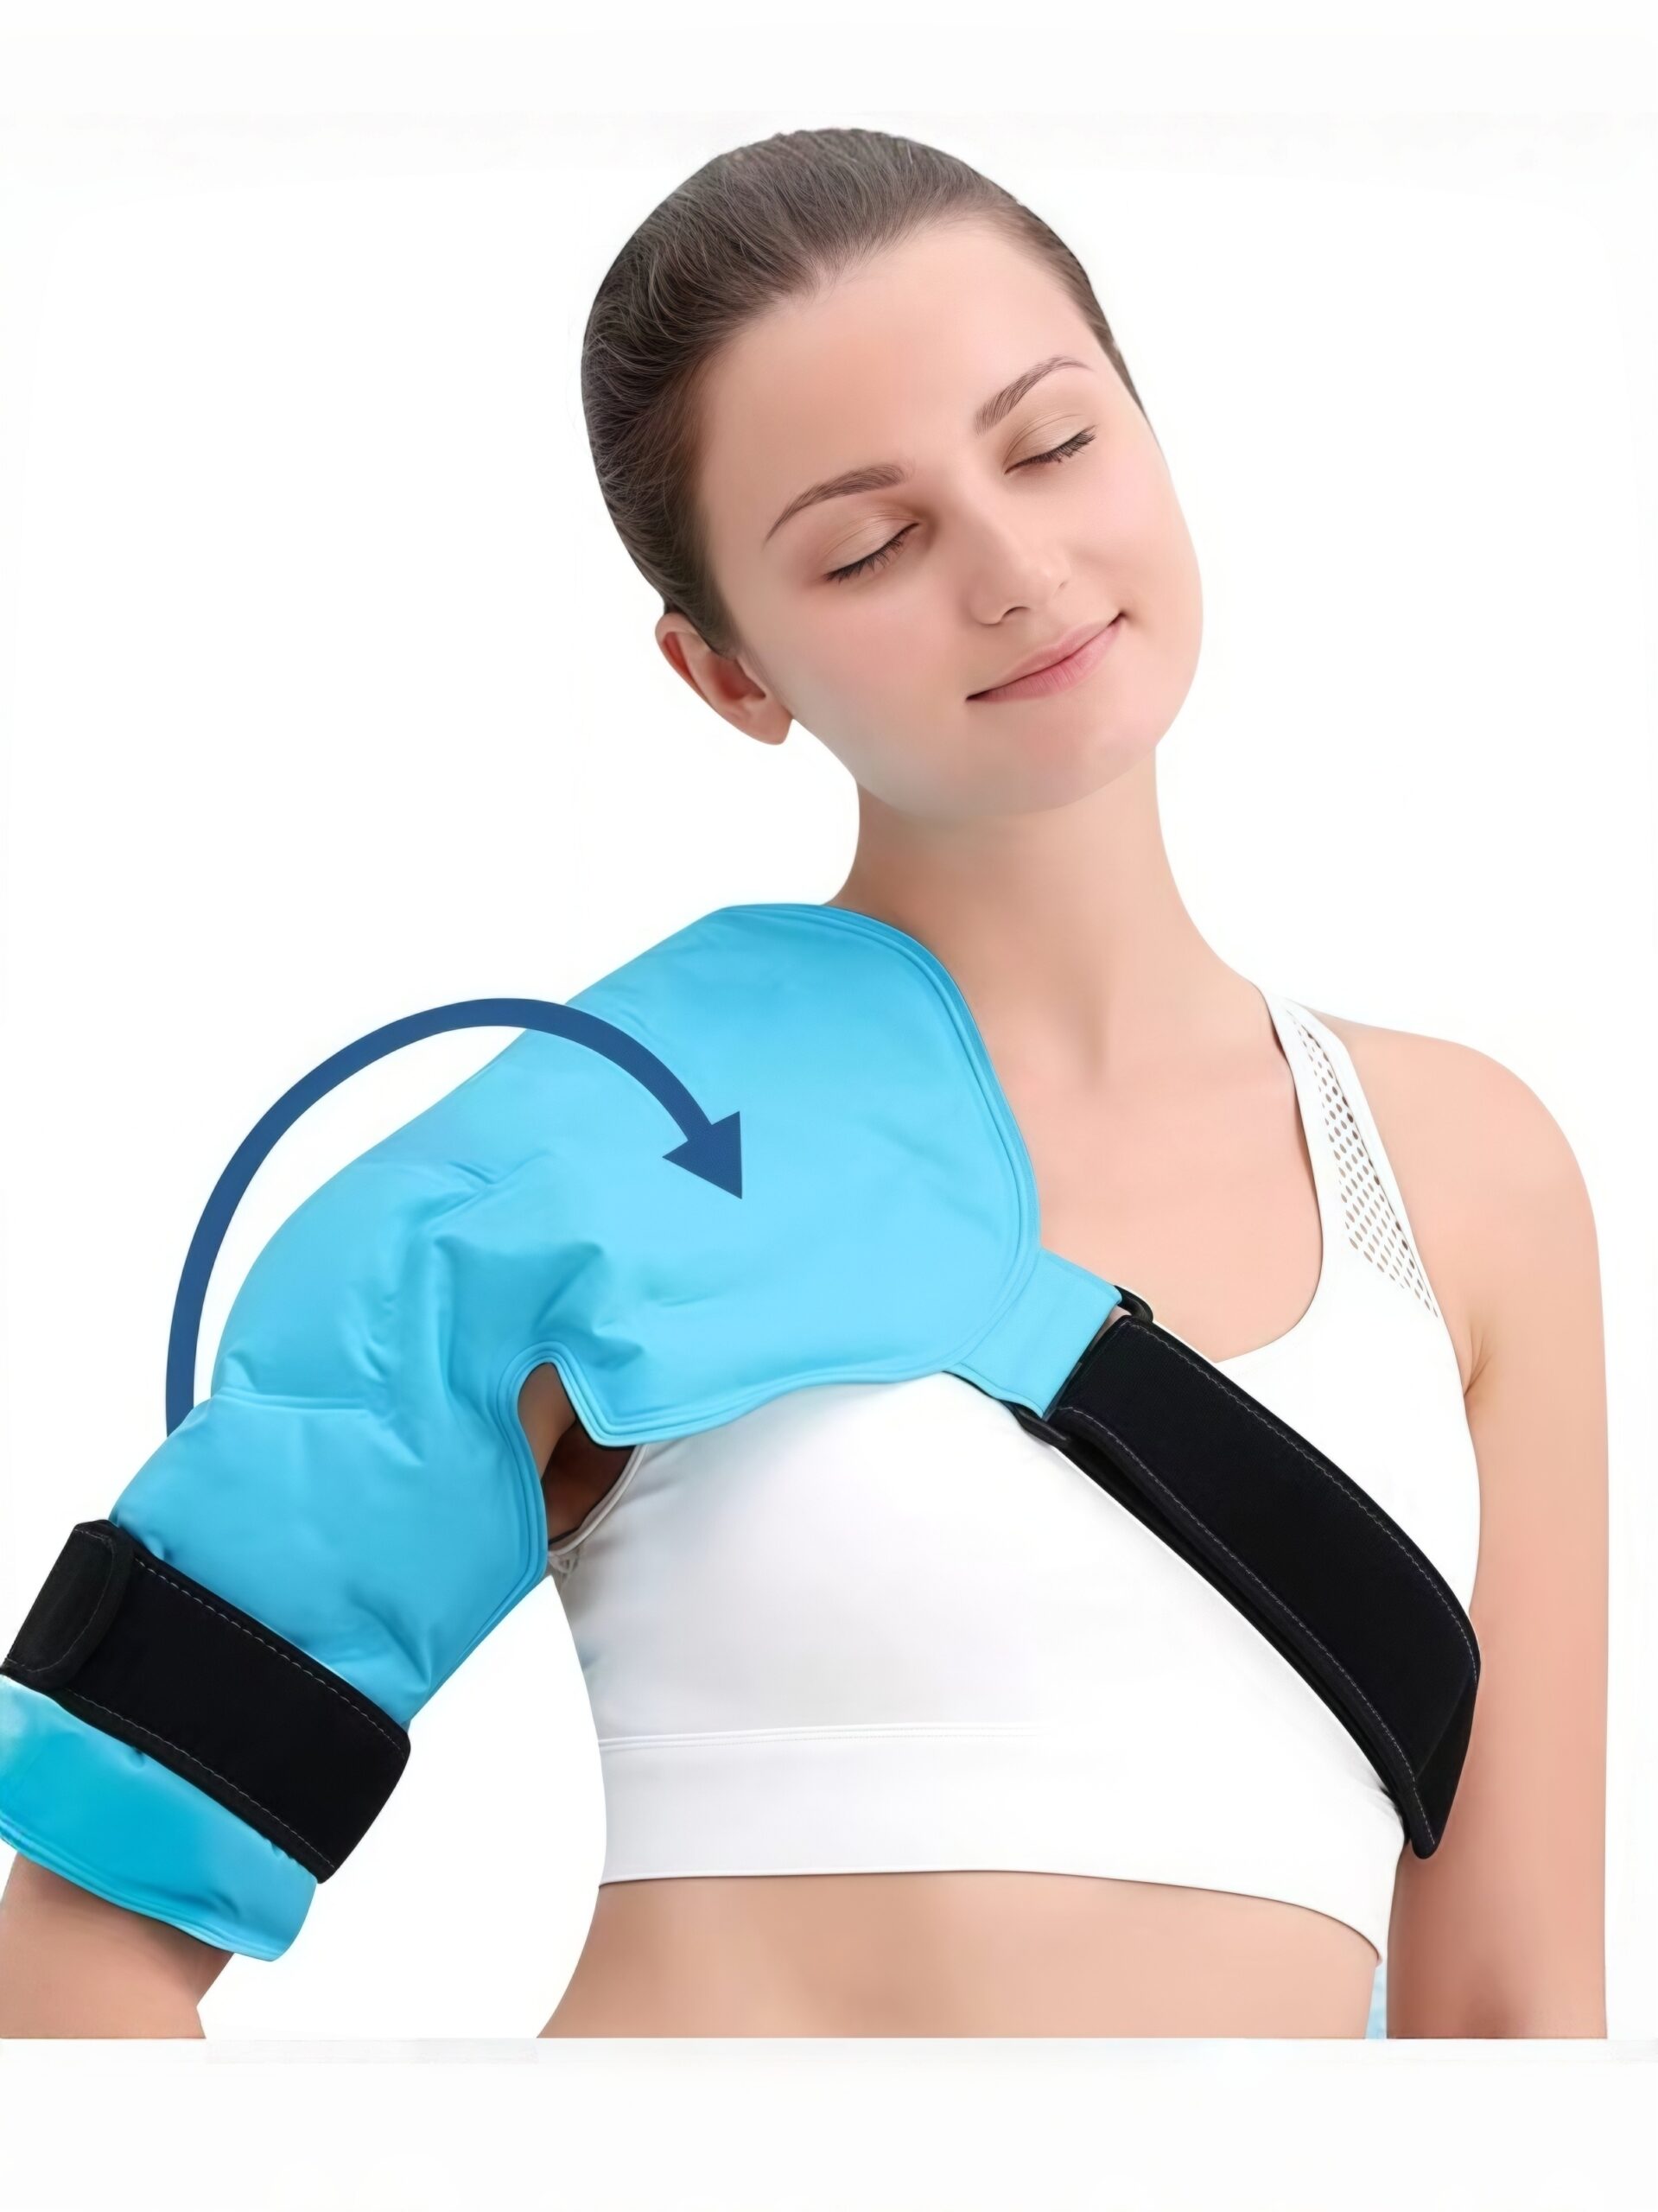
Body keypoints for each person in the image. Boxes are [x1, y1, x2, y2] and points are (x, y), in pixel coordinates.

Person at [0, 126, 1608, 2042]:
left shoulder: (1464, 1176)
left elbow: (1513, 2022)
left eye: (1051, 444)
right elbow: (71, 1961)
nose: (1016, 569)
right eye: (869, 545)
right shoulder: (592, 1149)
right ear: (728, 674)